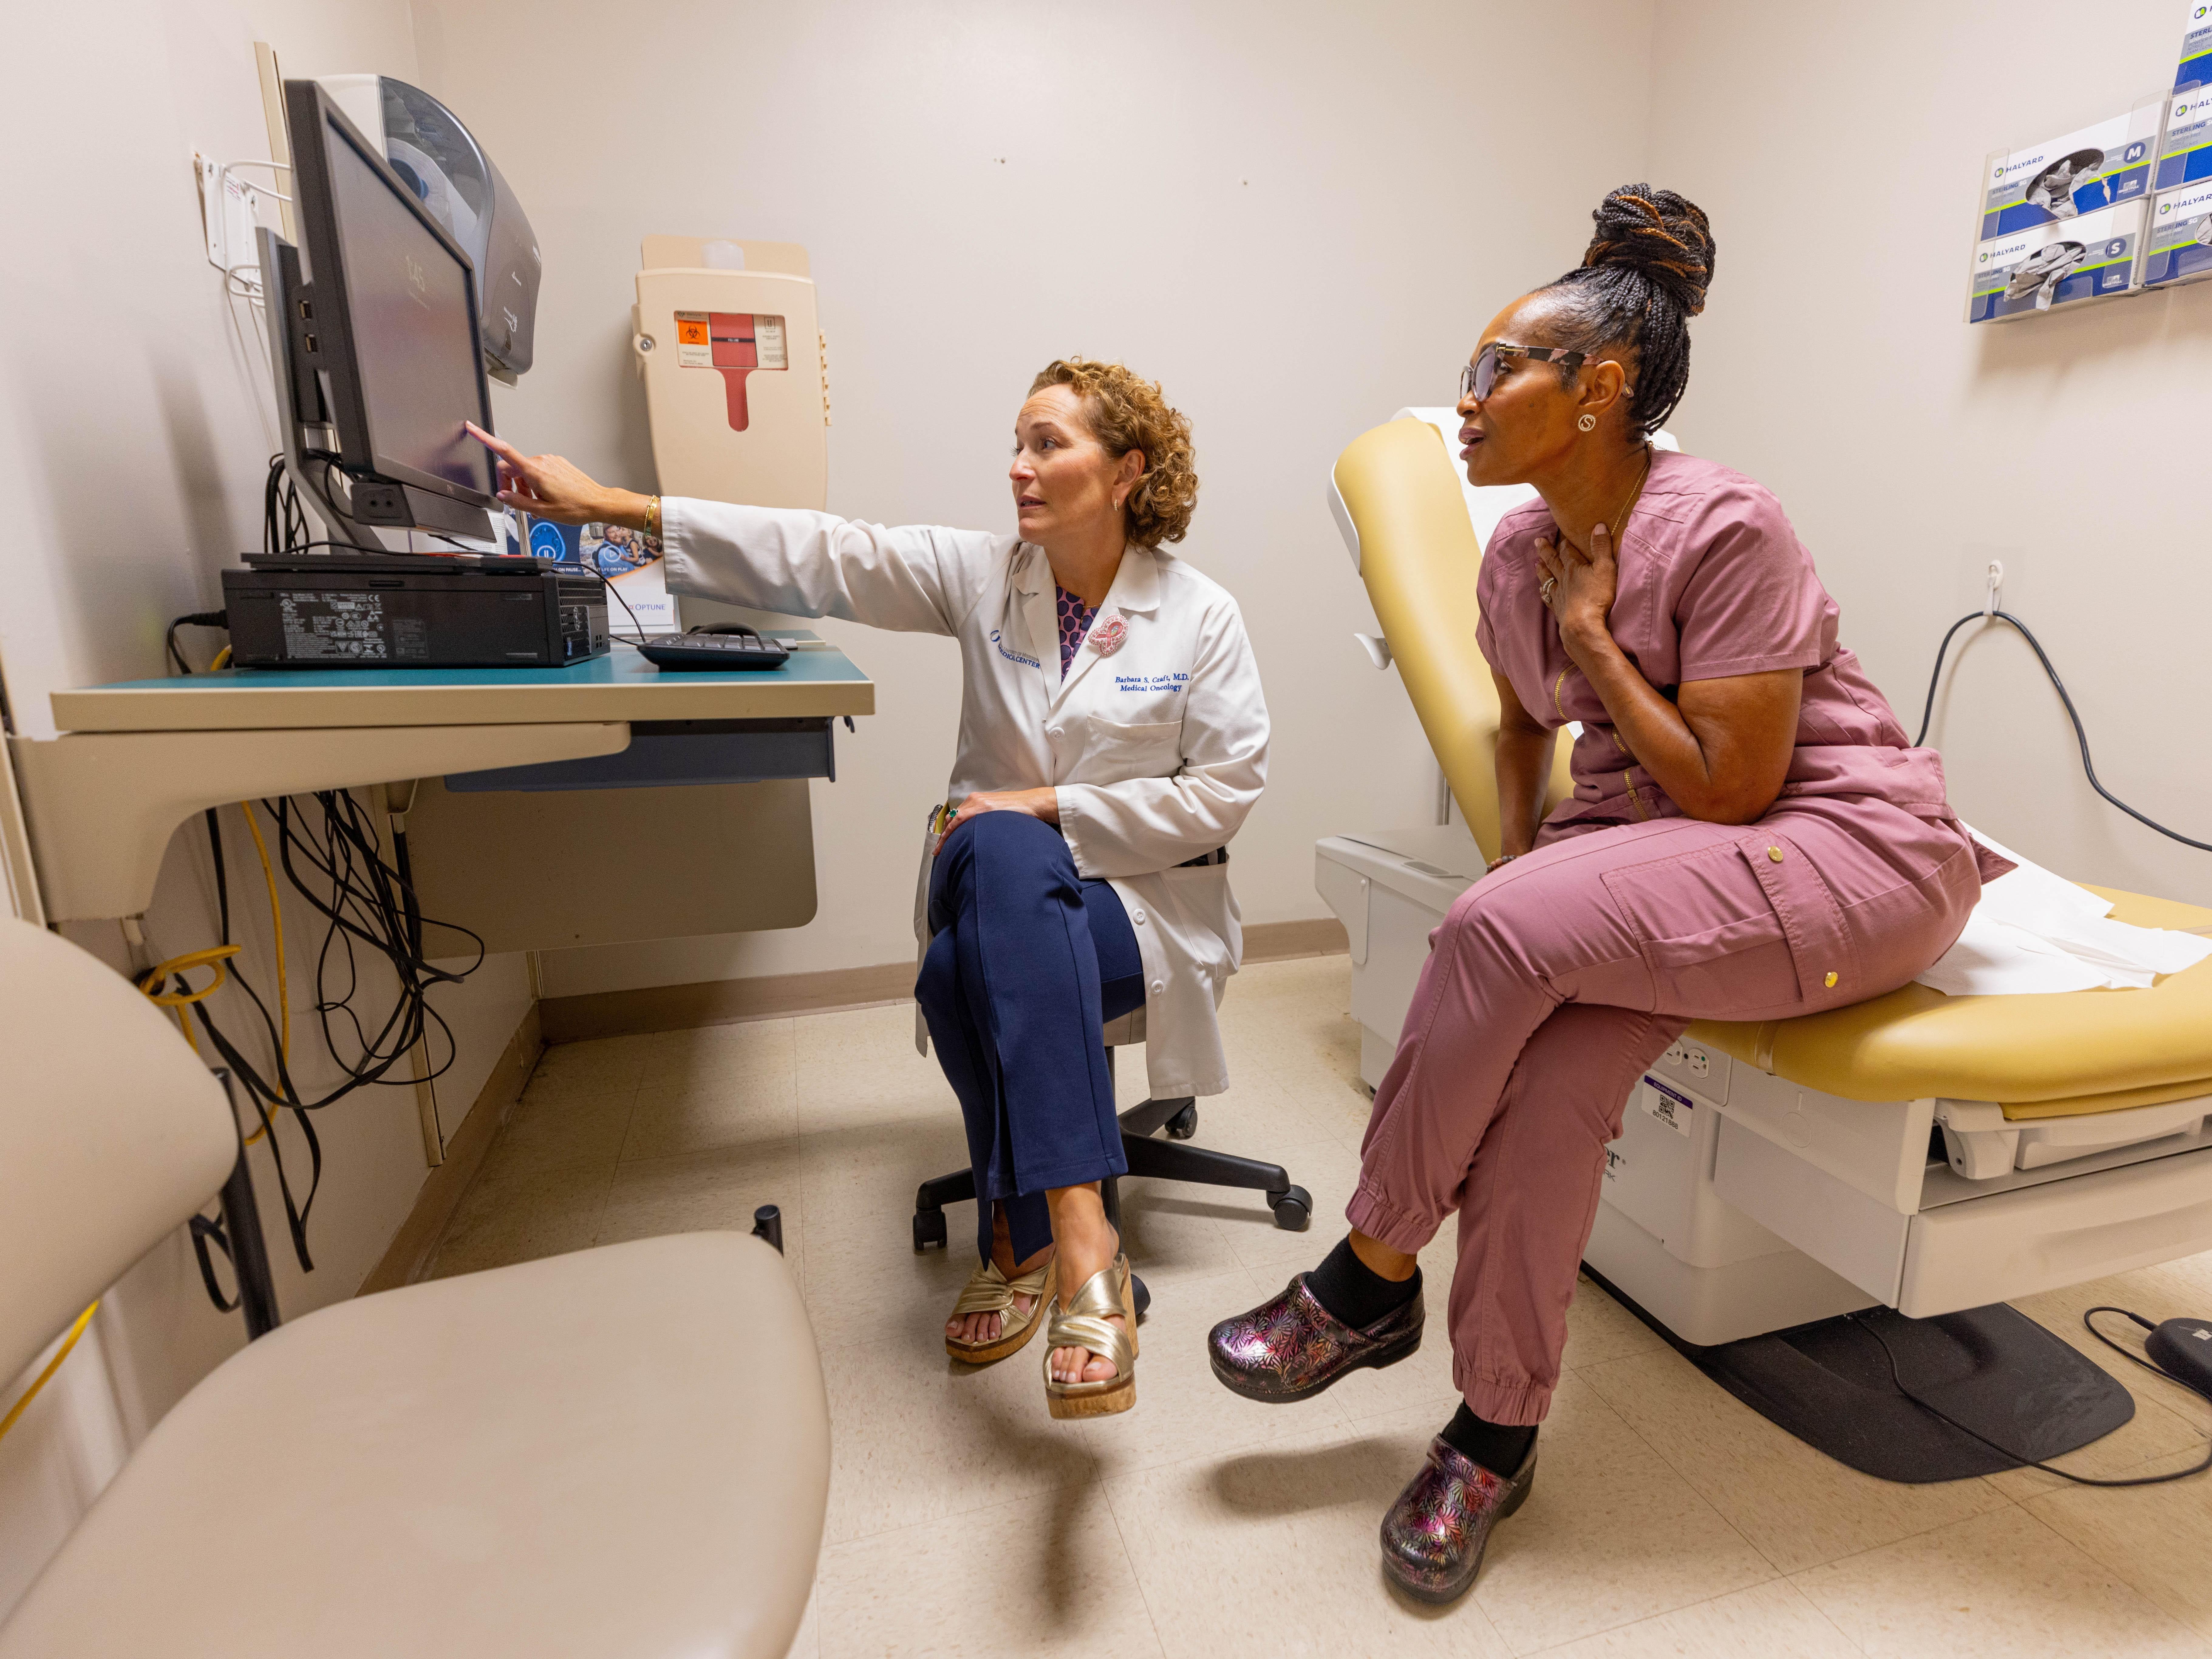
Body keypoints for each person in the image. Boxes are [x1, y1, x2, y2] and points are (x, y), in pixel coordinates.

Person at [1206, 185, 2006, 1601]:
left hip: (1846, 853)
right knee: (1551, 1083)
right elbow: (1521, 721)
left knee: (1505, 937)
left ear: (1600, 388)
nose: (1465, 402)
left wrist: (1598, 649)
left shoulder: (1724, 525)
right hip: (1669, 860)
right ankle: (1494, 1435)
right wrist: (1523, 875)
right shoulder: (1512, 552)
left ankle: (1368, 1274)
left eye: (1494, 371)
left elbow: (1738, 787)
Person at [468, 358, 1268, 1419]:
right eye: (1018, 443)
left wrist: (1049, 807)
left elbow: (1226, 790)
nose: (1017, 468)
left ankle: (1031, 1234)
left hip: (1144, 908)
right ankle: (1083, 1240)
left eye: (1047, 444)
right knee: (995, 868)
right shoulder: (985, 576)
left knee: (959, 959)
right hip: (1004, 882)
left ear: (1125, 473)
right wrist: (618, 507)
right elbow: (826, 556)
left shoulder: (1200, 615)